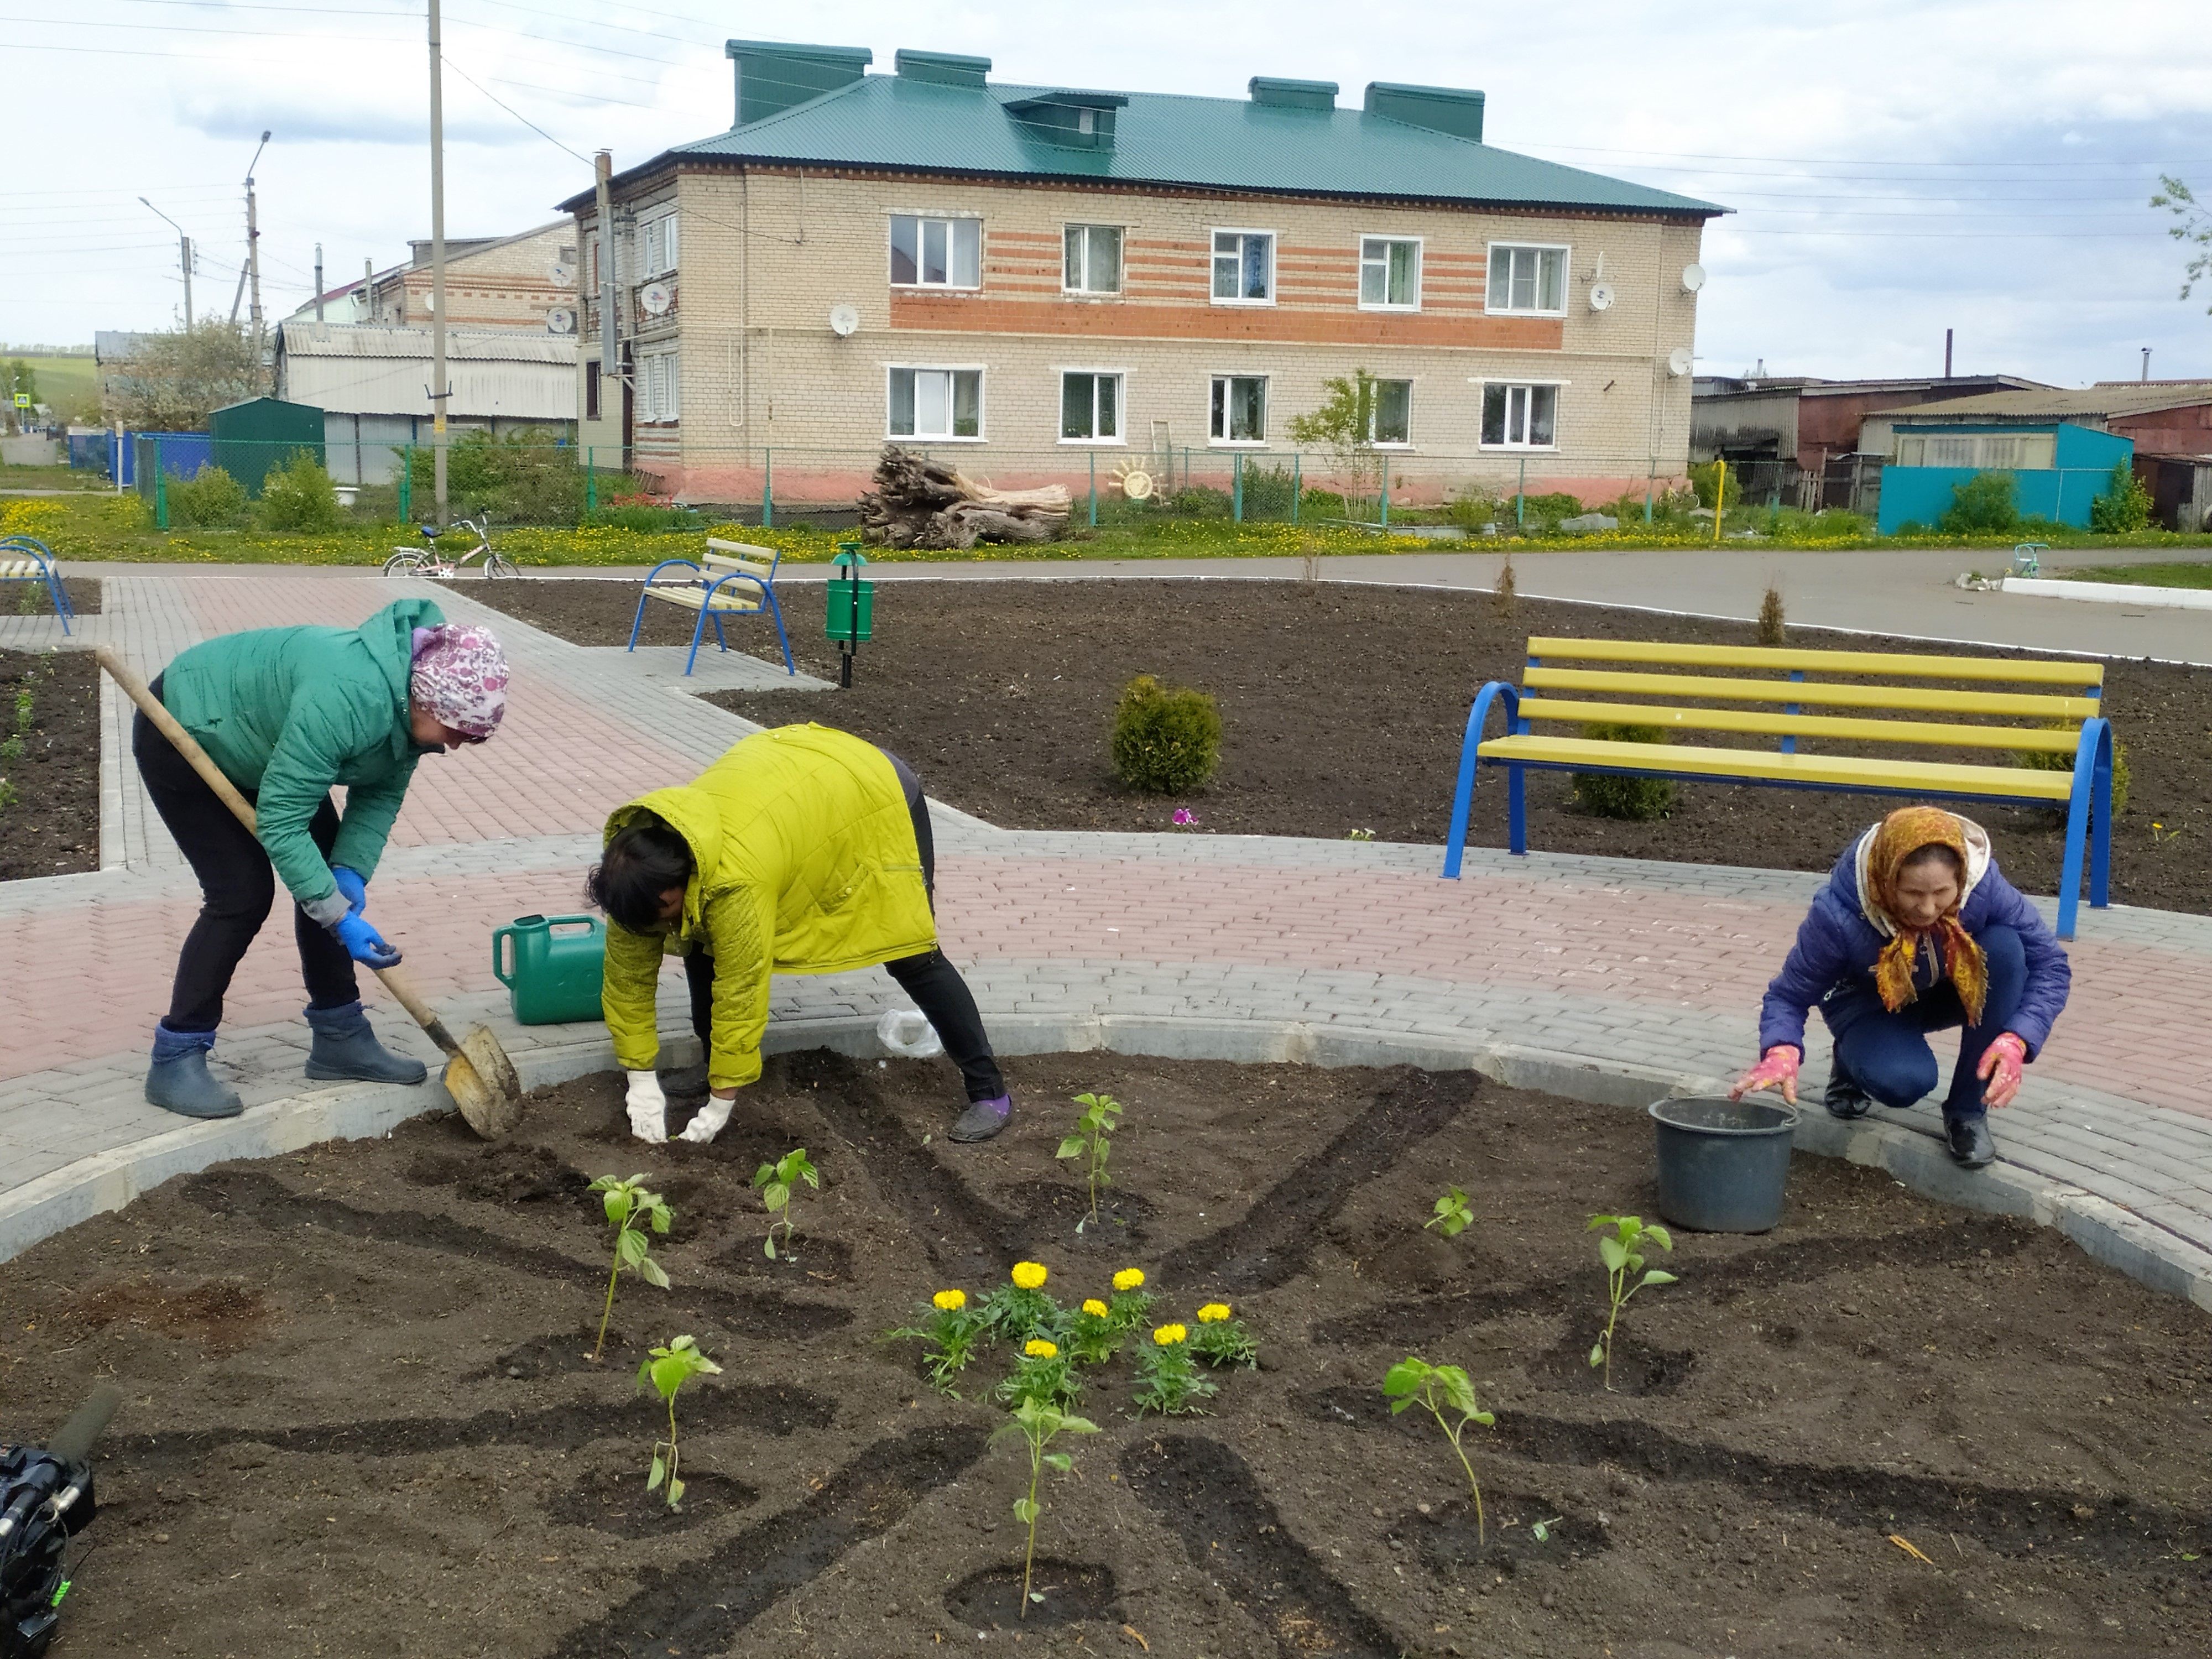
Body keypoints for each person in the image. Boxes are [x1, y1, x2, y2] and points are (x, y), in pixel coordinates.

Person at [135, 601, 508, 1119]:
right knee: (241, 894)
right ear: (426, 703)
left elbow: (378, 798)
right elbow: (282, 822)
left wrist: (348, 873)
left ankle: (340, 1037)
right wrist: (333, 910)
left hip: (267, 743)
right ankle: (176, 1056)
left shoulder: (408, 711)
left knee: (328, 876)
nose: (459, 746)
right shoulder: (348, 698)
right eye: (458, 731)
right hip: (190, 723)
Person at [589, 723, 1014, 1145]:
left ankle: (989, 1092)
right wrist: (639, 1077)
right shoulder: (633, 877)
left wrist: (722, 1102)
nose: (660, 927)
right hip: (791, 783)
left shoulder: (736, 881)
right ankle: (711, 1060)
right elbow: (627, 982)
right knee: (701, 938)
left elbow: (742, 986)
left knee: (910, 949)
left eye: (665, 912)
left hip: (869, 792)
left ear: (685, 878)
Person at [1730, 806, 2070, 1168]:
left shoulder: (1985, 888)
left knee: (2005, 949)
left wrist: (2018, 1038)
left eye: (1942, 892)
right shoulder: (1838, 913)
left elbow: (2051, 963)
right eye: (1912, 893)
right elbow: (1788, 995)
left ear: (1962, 876)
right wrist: (1781, 1050)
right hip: (1866, 1002)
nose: (1927, 909)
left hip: (1939, 987)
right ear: (1886, 878)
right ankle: (1850, 1060)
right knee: (1904, 1083)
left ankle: (1968, 1112)